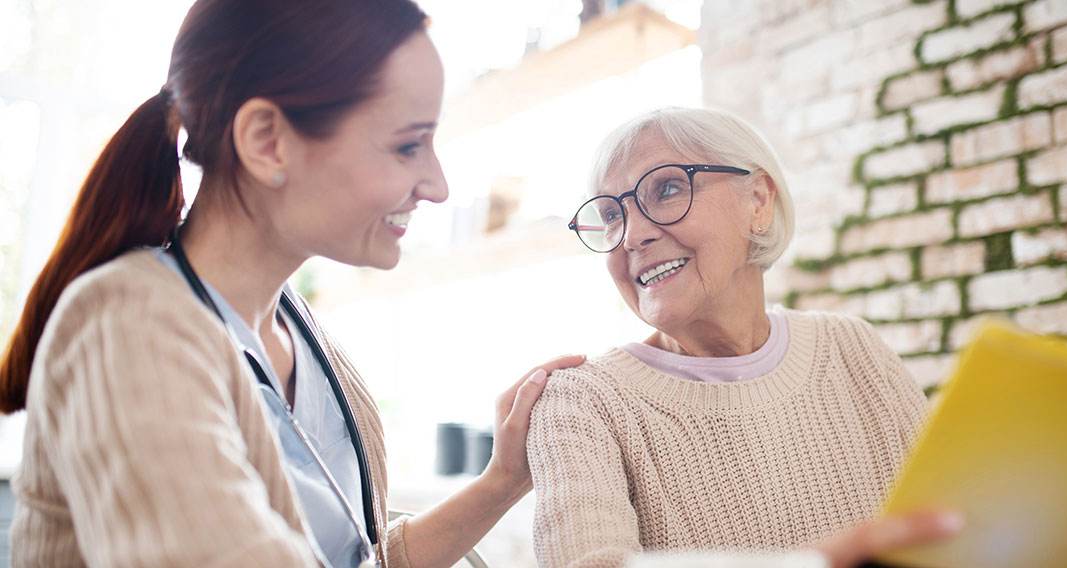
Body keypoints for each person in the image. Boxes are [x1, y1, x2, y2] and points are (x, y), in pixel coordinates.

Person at [0, 1, 584, 566]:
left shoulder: (300, 329)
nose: (437, 185)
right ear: (266, 141)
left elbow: (358, 557)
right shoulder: (126, 325)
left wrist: (504, 480)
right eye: (408, 144)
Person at [527, 107, 954, 567]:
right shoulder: (581, 403)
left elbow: (953, 526)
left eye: (667, 189)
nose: (631, 236)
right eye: (611, 215)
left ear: (757, 202)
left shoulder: (852, 348)